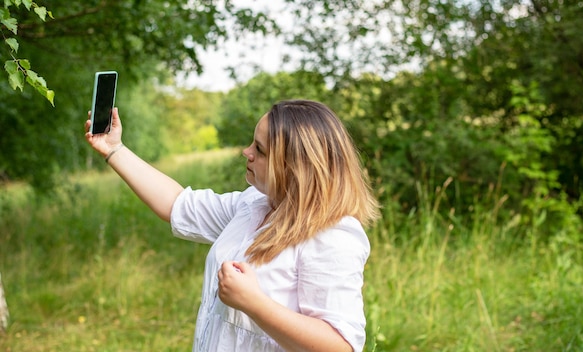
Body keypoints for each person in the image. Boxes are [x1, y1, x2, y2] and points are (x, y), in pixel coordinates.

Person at [84, 99, 380, 352]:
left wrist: (254, 303)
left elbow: (341, 344)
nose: (246, 152)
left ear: (295, 166)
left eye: (260, 150)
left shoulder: (332, 236)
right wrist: (114, 149)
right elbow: (178, 204)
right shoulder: (255, 204)